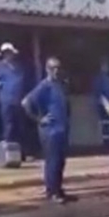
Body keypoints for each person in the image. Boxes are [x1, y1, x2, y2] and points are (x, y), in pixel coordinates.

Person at [22, 56, 75, 204]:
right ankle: (52, 192)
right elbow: (26, 102)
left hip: (62, 129)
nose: (56, 71)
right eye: (53, 68)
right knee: (53, 161)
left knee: (60, 162)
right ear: (47, 69)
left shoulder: (60, 86)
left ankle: (58, 189)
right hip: (50, 131)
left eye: (58, 68)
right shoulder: (44, 86)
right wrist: (40, 119)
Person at [0, 42, 26, 159]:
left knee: (20, 126)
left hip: (18, 99)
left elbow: (22, 80)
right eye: (6, 53)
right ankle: (8, 155)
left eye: (10, 53)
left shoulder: (18, 66)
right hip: (6, 99)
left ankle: (21, 153)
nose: (8, 55)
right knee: (8, 125)